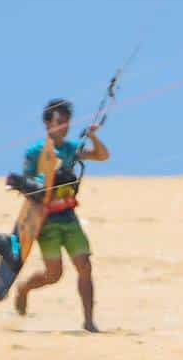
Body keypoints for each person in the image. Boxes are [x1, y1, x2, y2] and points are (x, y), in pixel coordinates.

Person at [11, 98, 110, 331]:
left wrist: (93, 136)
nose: (64, 126)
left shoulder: (71, 149)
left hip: (68, 216)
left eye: (67, 122)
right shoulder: (35, 152)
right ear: (47, 123)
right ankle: (24, 288)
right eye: (59, 122)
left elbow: (102, 155)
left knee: (85, 266)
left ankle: (88, 321)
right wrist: (51, 178)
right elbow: (27, 184)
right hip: (46, 221)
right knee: (54, 275)